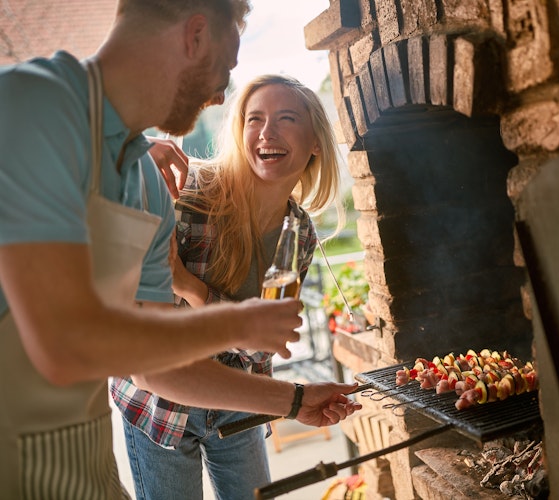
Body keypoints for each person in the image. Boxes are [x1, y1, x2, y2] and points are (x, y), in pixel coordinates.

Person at [0, 2, 359, 497]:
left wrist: (295, 400)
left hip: (86, 474)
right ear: (194, 36)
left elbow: (154, 366)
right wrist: (239, 322)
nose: (218, 98)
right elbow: (64, 347)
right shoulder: (29, 104)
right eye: (226, 69)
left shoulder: (143, 176)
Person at [111, 74, 348, 499]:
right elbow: (151, 356)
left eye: (286, 118)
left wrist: (190, 286)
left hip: (239, 404)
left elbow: (261, 346)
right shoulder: (188, 195)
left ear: (316, 142)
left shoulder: (299, 234)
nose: (267, 132)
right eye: (254, 118)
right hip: (160, 411)